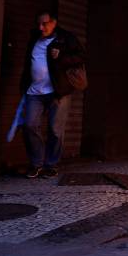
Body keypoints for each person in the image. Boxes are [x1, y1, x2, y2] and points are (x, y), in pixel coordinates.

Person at [19, 10, 85, 178]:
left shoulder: (66, 38)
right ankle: (36, 163)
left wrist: (61, 57)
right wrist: (24, 85)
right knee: (29, 125)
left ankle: (51, 164)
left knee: (56, 130)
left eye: (45, 23)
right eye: (39, 24)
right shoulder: (34, 38)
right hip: (34, 91)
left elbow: (81, 57)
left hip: (58, 91)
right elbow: (28, 63)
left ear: (54, 22)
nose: (41, 27)